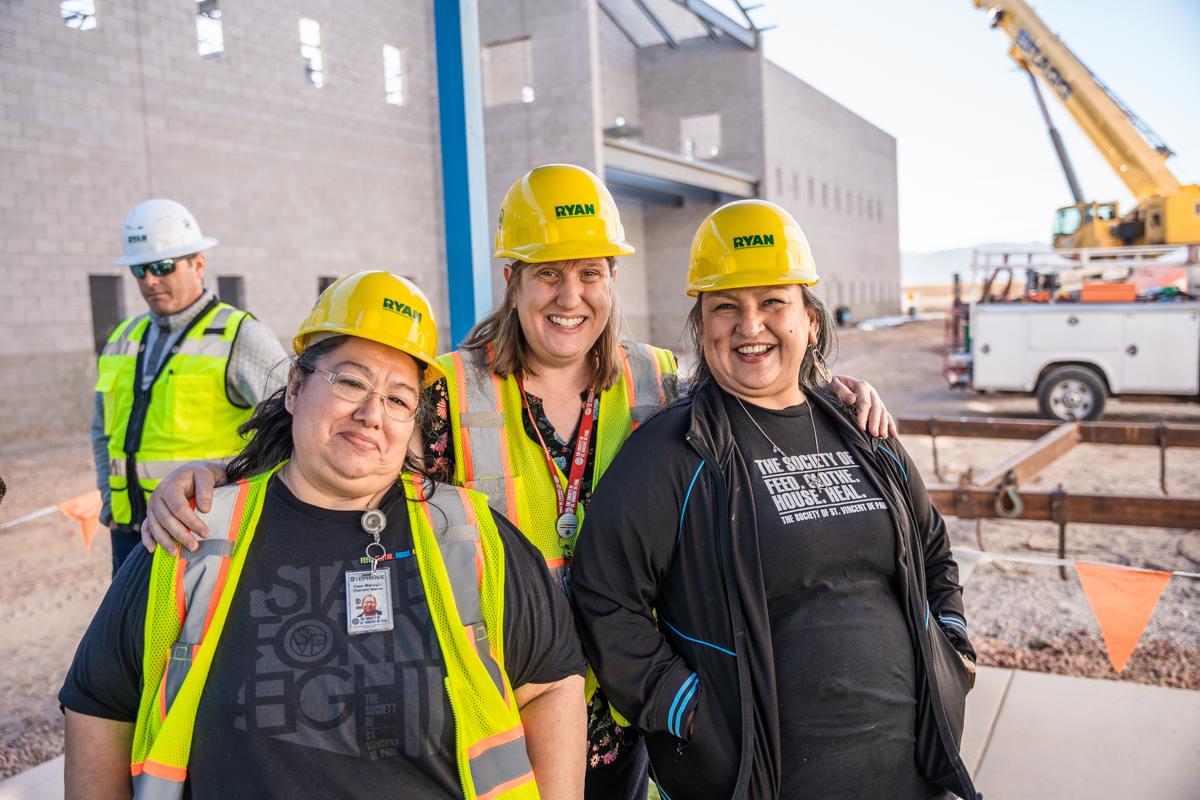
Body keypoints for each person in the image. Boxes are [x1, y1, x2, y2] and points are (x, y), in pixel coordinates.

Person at [138, 166, 895, 800]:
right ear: (513, 279)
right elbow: (333, 455)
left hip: (624, 708)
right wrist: (213, 475)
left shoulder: (662, 382)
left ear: (611, 279)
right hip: (491, 705)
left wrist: (837, 393)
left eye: (590, 274)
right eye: (548, 275)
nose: (571, 297)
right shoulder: (442, 389)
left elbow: (760, 372)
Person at [61, 271, 587, 800]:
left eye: (399, 400)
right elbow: (100, 705)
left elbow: (551, 684)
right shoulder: (195, 533)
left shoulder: (470, 536)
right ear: (294, 387)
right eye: (350, 382)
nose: (371, 414)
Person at [571, 200, 980, 800]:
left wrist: (953, 647)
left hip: (914, 774)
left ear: (809, 321)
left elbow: (932, 548)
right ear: (702, 326)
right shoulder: (671, 452)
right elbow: (604, 598)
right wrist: (686, 710)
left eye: (772, 304)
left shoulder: (862, 430)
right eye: (726, 307)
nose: (750, 325)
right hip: (761, 782)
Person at [94, 198, 287, 574]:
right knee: (132, 634)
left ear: (198, 263)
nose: (150, 280)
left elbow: (291, 427)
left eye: (163, 266)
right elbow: (101, 431)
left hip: (198, 532)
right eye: (140, 269)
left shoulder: (239, 336)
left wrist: (232, 477)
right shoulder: (122, 337)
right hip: (130, 532)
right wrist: (108, 499)